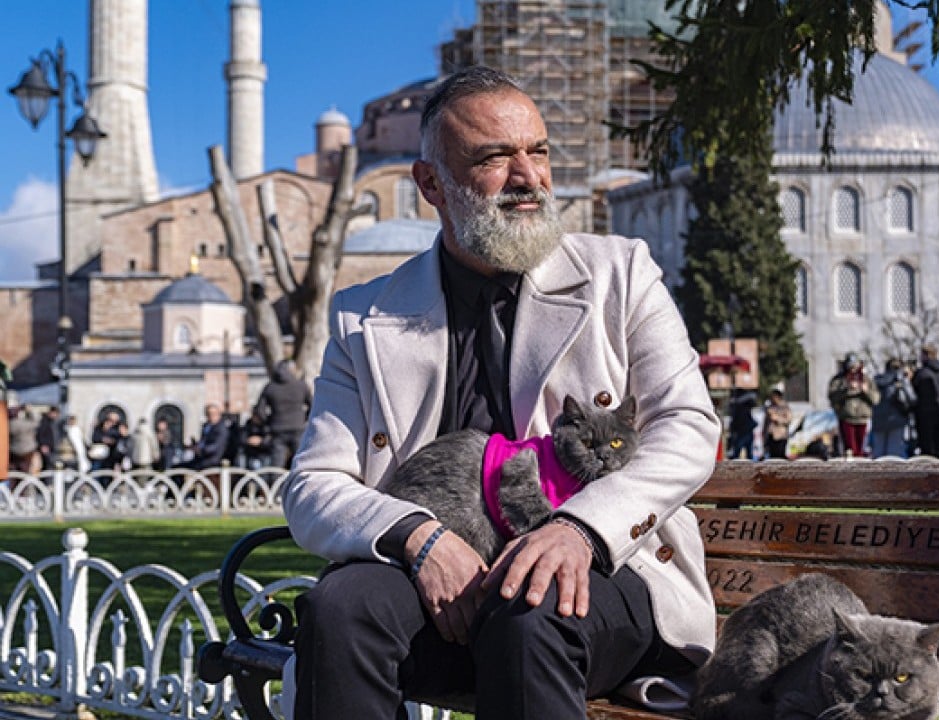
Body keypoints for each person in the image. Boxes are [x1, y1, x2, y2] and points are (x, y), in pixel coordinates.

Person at [283, 67, 720, 720]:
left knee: (532, 612)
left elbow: (689, 425)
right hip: (439, 584)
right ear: (430, 183)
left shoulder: (619, 273)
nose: (528, 178)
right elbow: (314, 486)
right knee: (340, 609)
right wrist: (418, 538)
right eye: (494, 157)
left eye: (537, 151)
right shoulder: (363, 316)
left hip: (609, 571)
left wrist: (579, 529)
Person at [254, 359, 312, 469]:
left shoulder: (270, 387)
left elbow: (260, 411)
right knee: (301, 461)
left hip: (277, 429)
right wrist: (304, 419)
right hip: (298, 427)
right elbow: (313, 405)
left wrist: (269, 421)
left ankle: (276, 485)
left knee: (277, 463)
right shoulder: (301, 386)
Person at [828, 358, 878, 457]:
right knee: (850, 450)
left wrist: (866, 391)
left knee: (862, 450)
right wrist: (846, 390)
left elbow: (875, 399)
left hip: (863, 419)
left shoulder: (866, 379)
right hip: (846, 418)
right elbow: (832, 397)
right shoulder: (839, 380)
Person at [911, 345, 939, 457]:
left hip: (924, 414)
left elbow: (912, 392)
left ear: (926, 356)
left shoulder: (922, 373)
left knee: (926, 449)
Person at [871, 359, 915, 459]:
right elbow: (912, 399)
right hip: (896, 420)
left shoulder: (877, 381)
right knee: (895, 455)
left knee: (878, 454)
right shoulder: (900, 380)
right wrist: (906, 382)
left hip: (878, 421)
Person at [180, 405, 231, 470]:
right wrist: (192, 446)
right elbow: (203, 442)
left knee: (183, 469)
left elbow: (215, 446)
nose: (211, 416)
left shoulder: (221, 428)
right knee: (177, 467)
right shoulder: (206, 426)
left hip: (212, 460)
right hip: (201, 458)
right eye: (208, 414)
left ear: (219, 414)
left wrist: (199, 450)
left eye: (213, 414)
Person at [725, 388, 758, 460]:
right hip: (742, 431)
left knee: (741, 453)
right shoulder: (738, 405)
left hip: (743, 432)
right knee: (741, 453)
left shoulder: (739, 405)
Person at [761, 389, 793, 460]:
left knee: (780, 456)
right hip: (770, 436)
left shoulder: (785, 407)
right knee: (772, 457)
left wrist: (777, 419)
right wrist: (764, 433)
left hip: (780, 436)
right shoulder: (770, 408)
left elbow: (788, 420)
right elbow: (766, 423)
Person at [8, 404, 40, 474]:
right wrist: (30, 410)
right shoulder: (25, 423)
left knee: (13, 471)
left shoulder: (9, 424)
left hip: (14, 450)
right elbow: (36, 422)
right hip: (27, 451)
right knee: (24, 472)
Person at [36, 406, 62, 472]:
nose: (56, 416)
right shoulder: (44, 421)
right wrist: (43, 445)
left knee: (53, 465)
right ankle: (47, 481)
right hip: (47, 448)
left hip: (53, 448)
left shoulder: (55, 422)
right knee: (48, 466)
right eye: (55, 413)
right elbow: (40, 434)